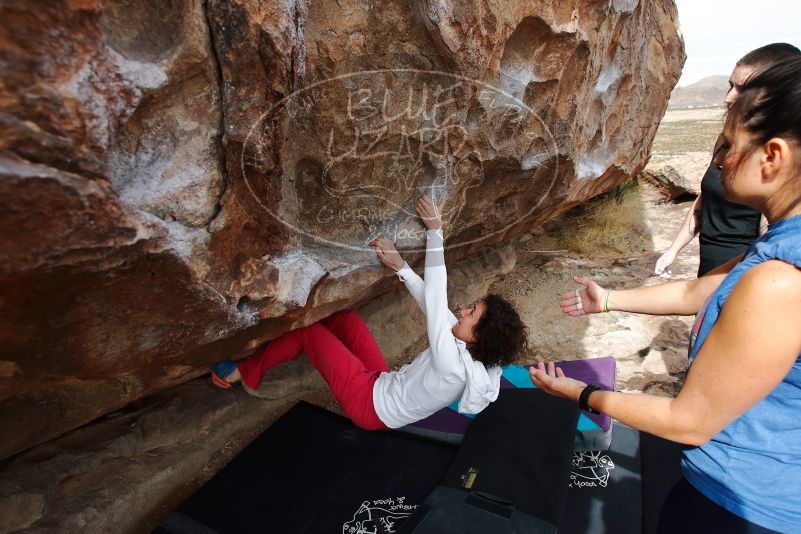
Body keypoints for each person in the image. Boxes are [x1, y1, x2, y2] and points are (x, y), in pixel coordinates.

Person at [533, 57, 801, 533]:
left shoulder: (780, 279)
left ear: (772, 157)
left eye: (730, 145)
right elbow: (699, 290)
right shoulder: (782, 247)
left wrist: (579, 393)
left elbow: (689, 420)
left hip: (743, 503)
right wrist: (608, 300)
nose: (720, 160)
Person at [211, 196, 527, 430]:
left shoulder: (453, 366)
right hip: (384, 383)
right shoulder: (471, 353)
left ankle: (243, 372)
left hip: (371, 407)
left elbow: (434, 298)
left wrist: (436, 232)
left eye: (471, 314)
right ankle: (296, 351)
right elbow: (436, 309)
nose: (463, 311)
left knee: (310, 334)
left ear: (476, 338)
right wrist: (401, 267)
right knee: (345, 320)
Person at [655, 43, 800, 277]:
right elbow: (705, 197)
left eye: (744, 89)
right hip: (711, 265)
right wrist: (673, 250)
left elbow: (769, 231)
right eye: (730, 86)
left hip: (739, 269)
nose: (729, 97)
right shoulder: (724, 140)